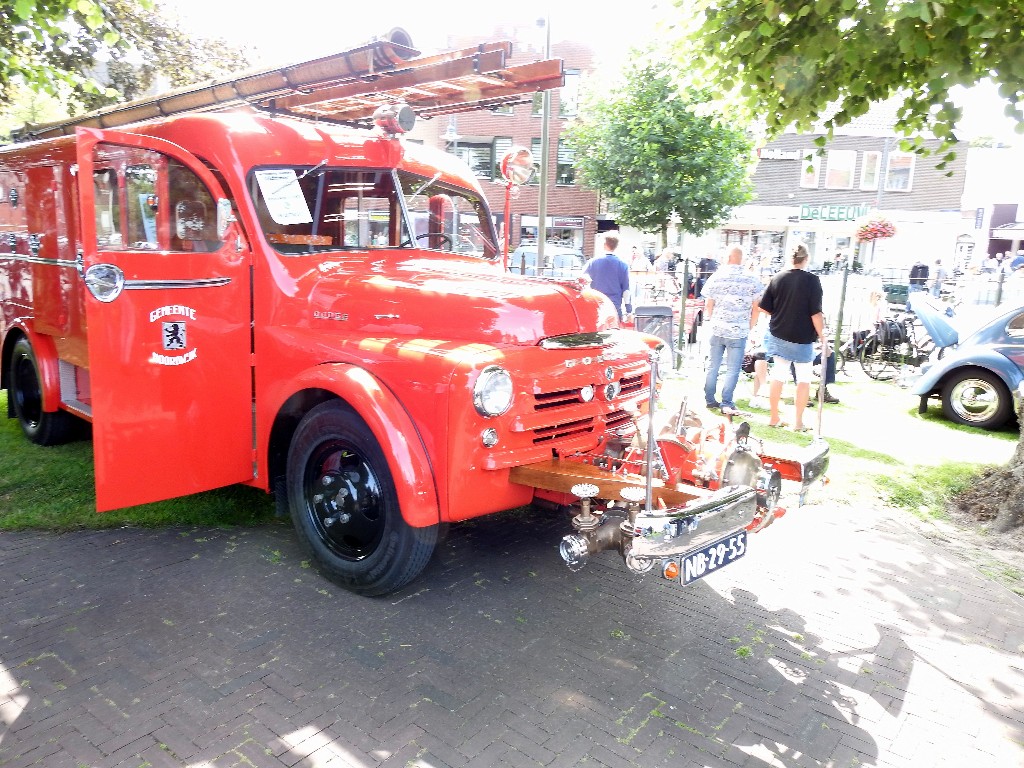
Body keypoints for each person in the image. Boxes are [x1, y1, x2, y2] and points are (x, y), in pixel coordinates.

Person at [757, 243, 828, 432]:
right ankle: (798, 422)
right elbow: (816, 313)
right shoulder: (812, 280)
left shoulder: (777, 278)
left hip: (779, 333)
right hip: (802, 337)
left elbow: (763, 306)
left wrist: (781, 312)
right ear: (806, 259)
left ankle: (774, 417)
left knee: (778, 376)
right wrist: (823, 337)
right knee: (803, 379)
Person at [700, 246, 763, 415]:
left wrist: (713, 319)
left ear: (728, 258)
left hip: (718, 328)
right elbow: (756, 307)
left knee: (713, 365)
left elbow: (708, 304)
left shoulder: (716, 277)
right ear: (741, 259)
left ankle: (710, 399)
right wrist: (751, 324)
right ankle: (727, 401)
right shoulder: (752, 279)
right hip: (739, 329)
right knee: (733, 368)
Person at [583, 233, 631, 321]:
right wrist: (628, 310)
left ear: (604, 245)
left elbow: (583, 282)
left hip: (596, 304)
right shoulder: (623, 265)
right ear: (616, 246)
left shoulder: (592, 262)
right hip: (614, 307)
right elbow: (626, 290)